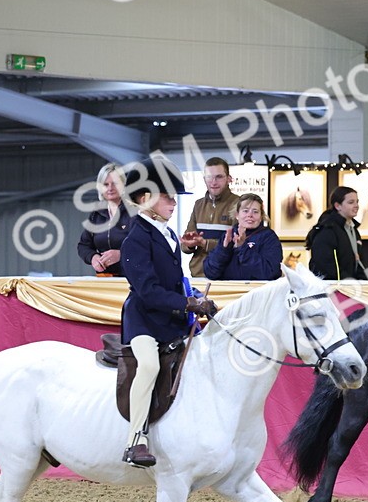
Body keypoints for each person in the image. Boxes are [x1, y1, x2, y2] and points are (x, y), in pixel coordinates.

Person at [119, 157, 216, 468]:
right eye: (166, 197)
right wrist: (186, 305)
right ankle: (136, 440)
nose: (173, 203)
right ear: (143, 198)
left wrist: (196, 297)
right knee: (148, 366)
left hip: (171, 319)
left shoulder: (169, 235)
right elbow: (147, 290)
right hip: (144, 320)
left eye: (174, 197)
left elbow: (178, 281)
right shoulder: (134, 238)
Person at [181, 157, 240, 277]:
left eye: (219, 177)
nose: (213, 182)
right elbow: (185, 247)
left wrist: (205, 243)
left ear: (229, 179)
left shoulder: (239, 204)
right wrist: (189, 244)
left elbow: (238, 245)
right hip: (198, 275)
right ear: (204, 179)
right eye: (209, 177)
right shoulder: (198, 205)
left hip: (226, 277)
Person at [203, 193, 283, 281]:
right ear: (237, 215)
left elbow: (270, 273)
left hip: (257, 291)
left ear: (261, 216)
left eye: (255, 212)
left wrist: (242, 248)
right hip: (227, 291)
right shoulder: (229, 235)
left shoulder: (269, 237)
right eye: (245, 211)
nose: (250, 215)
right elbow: (210, 273)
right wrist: (224, 250)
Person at [77, 163, 132, 276]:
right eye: (105, 184)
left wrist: (122, 254)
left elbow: (147, 246)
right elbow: (83, 246)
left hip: (132, 279)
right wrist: (92, 257)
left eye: (115, 184)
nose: (110, 188)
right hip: (105, 280)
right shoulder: (96, 215)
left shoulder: (135, 213)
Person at [307, 186, 365, 280]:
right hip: (332, 288)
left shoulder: (353, 229)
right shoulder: (327, 230)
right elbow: (326, 265)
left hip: (350, 287)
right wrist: (348, 282)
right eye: (351, 202)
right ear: (337, 206)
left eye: (357, 201)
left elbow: (358, 261)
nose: (356, 205)